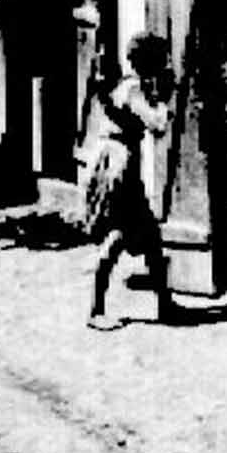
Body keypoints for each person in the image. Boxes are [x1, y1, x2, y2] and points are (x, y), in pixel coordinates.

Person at [85, 36, 178, 329]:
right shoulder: (134, 89)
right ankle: (95, 311)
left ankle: (165, 304)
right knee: (118, 235)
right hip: (120, 164)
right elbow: (157, 125)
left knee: (150, 237)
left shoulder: (127, 84)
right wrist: (164, 103)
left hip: (115, 159)